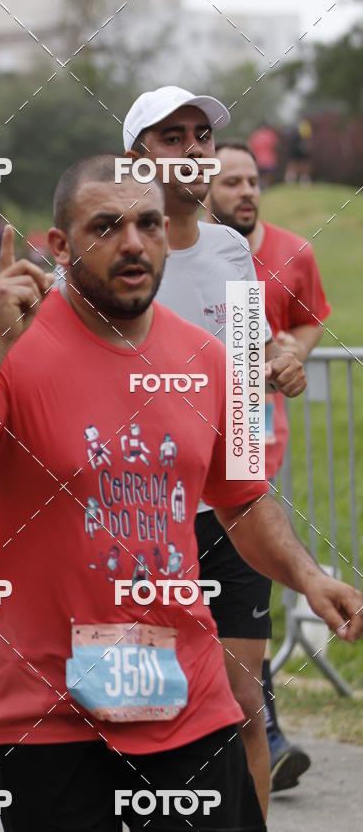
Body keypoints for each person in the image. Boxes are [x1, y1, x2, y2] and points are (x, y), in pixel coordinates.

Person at [0, 155, 362, 832]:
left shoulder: (205, 360)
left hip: (183, 691)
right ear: (59, 246)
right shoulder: (10, 347)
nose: (133, 242)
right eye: (106, 226)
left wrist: (308, 576)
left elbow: (242, 498)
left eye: (148, 223)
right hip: (48, 709)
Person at [123, 85, 306, 818]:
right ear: (136, 156)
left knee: (244, 708)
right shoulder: (121, 249)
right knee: (138, 711)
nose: (194, 150)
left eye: (202, 136)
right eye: (174, 138)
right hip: (137, 516)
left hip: (229, 512)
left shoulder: (231, 250)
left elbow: (249, 354)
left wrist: (280, 357)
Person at [205, 139, 332, 791]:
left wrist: (293, 350)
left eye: (252, 180)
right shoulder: (185, 259)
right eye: (231, 182)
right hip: (180, 474)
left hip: (255, 453)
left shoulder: (291, 253)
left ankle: (260, 730)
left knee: (246, 592)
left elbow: (312, 321)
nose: (246, 192)